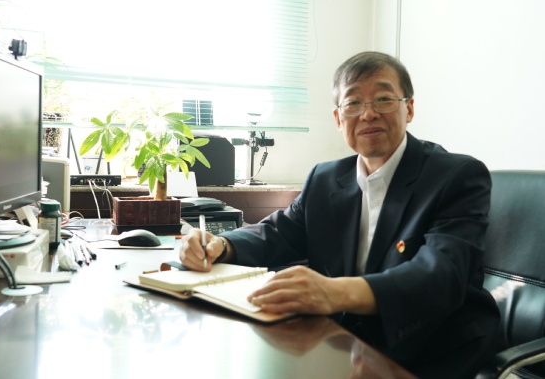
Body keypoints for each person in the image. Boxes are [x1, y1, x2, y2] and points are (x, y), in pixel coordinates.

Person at [180, 51, 500, 378]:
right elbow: (279, 232)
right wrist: (221, 245)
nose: (368, 114)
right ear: (338, 118)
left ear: (410, 108)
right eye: (353, 103)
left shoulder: (456, 175)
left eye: (384, 99)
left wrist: (333, 293)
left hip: (431, 348)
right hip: (345, 341)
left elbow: (441, 275)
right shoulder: (325, 178)